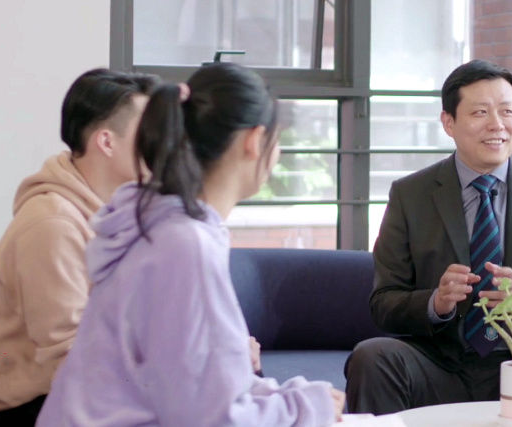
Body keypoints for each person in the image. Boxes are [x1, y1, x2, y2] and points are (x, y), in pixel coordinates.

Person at [36, 64, 344, 426]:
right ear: (254, 140)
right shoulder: (184, 244)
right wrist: (308, 408)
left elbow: (193, 384)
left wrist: (292, 399)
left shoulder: (158, 226)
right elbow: (212, 418)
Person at [344, 59, 512, 414]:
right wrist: (435, 302)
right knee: (373, 357)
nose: (497, 124)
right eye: (480, 112)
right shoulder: (411, 194)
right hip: (439, 358)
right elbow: (384, 301)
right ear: (448, 122)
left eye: (507, 111)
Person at [0, 68, 159, 426]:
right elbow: (74, 360)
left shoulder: (126, 213)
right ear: (107, 142)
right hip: (34, 406)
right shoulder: (52, 224)